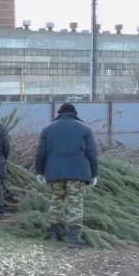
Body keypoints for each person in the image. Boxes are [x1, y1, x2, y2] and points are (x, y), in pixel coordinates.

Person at [35, 102, 98, 248]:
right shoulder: (85, 129)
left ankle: (53, 234)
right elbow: (92, 155)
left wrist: (40, 172)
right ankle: (74, 237)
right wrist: (94, 174)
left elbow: (40, 153)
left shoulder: (48, 129)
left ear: (59, 113)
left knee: (57, 200)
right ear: (75, 114)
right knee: (75, 202)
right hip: (78, 172)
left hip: (54, 172)